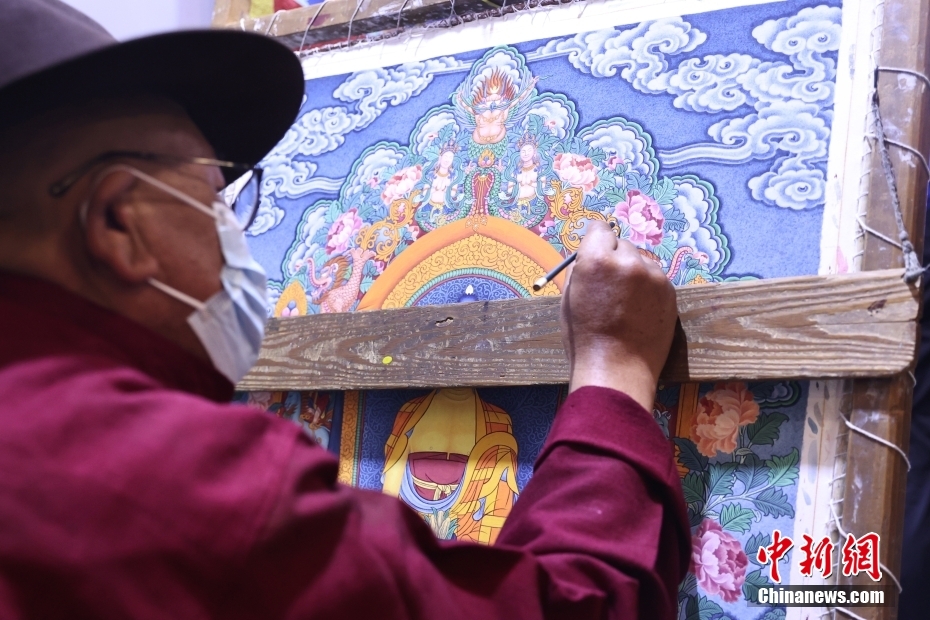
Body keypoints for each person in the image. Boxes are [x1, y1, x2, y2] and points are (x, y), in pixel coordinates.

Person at [0, 1, 689, 618]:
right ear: (119, 223)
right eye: (213, 199)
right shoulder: (179, 487)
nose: (232, 233)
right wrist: (614, 367)